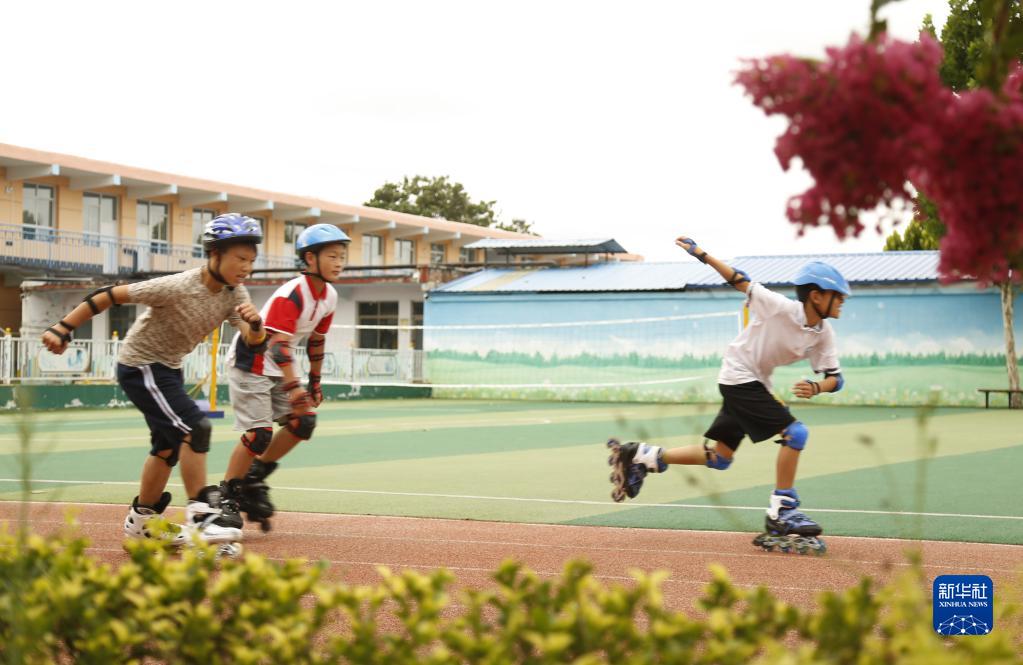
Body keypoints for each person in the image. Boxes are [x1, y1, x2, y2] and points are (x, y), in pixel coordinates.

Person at [608, 236, 850, 554]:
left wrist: (818, 387)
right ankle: (782, 510)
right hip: (739, 376)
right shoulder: (780, 307)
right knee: (796, 433)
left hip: (755, 382)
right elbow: (740, 280)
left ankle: (643, 456)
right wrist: (702, 254)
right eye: (837, 295)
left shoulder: (823, 333)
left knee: (721, 458)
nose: (843, 301)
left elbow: (835, 378)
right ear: (816, 296)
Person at [40, 213, 267, 545]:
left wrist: (256, 325)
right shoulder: (178, 286)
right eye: (240, 258)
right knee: (195, 428)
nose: (247, 267)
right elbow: (109, 295)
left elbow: (252, 340)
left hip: (168, 369)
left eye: (251, 260)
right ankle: (202, 515)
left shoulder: (235, 294)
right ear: (215, 254)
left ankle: (141, 523)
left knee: (167, 447)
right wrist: (63, 328)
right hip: (140, 365)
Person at [221, 223, 349, 531]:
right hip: (251, 361)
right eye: (332, 256)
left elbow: (316, 340)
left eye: (342, 256)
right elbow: (277, 345)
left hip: (279, 366)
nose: (339, 263)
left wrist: (315, 383)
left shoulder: (329, 296)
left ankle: (253, 476)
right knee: (259, 434)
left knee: (303, 422)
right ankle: (227, 497)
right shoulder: (292, 294)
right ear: (310, 259)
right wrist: (295, 388)